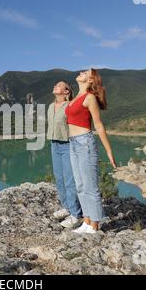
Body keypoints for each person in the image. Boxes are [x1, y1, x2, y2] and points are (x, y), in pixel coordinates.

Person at [65, 69, 116, 234]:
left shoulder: (89, 98)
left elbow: (99, 125)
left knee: (90, 185)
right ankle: (86, 222)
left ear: (91, 80)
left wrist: (109, 151)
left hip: (85, 143)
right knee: (80, 185)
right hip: (73, 143)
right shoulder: (74, 99)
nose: (81, 72)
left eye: (85, 72)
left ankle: (94, 226)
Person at [47, 81, 83, 228]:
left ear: (67, 92)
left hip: (68, 145)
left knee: (69, 180)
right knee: (59, 178)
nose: (55, 85)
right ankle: (66, 207)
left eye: (60, 85)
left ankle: (76, 214)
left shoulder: (70, 106)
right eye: (55, 84)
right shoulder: (50, 106)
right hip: (54, 144)